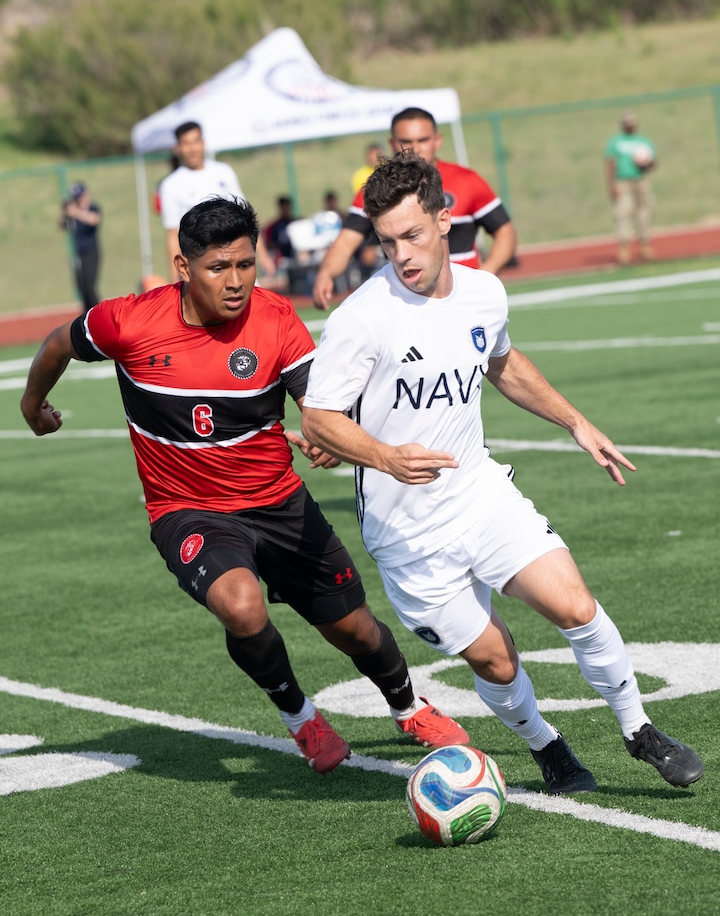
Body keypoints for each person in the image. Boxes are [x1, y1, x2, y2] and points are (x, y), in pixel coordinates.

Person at [20, 195, 467, 775]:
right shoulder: (128, 322)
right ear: (183, 268)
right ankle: (301, 717)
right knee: (241, 605)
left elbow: (319, 403)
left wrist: (326, 434)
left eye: (246, 265)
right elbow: (59, 342)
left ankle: (408, 707)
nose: (236, 282)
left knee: (354, 629)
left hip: (278, 502)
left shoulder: (275, 318)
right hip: (187, 510)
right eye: (218, 268)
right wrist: (33, 403)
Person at [301, 151, 703, 794]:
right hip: (407, 535)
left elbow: (504, 364)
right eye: (386, 242)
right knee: (495, 657)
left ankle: (638, 730)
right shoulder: (360, 318)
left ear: (444, 218)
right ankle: (549, 747)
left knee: (575, 604)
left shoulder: (484, 292)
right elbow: (318, 420)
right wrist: (385, 456)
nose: (401, 255)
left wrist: (575, 421)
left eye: (412, 235)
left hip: (479, 494)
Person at [312, 107, 518, 310]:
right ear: (392, 144)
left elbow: (505, 231)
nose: (415, 148)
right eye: (406, 142)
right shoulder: (377, 191)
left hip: (465, 300)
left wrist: (486, 275)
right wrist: (326, 274)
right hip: (407, 303)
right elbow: (347, 241)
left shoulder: (467, 181)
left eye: (423, 140)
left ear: (437, 141)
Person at [159, 120, 275, 283]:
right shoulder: (170, 185)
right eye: (186, 143)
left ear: (203, 143)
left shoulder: (223, 172)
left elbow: (246, 216)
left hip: (236, 257)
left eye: (196, 141)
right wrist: (174, 279)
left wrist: (262, 255)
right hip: (204, 266)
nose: (192, 148)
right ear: (177, 148)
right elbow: (172, 234)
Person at [604, 112, 657, 264]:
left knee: (645, 211)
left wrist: (646, 163)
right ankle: (624, 248)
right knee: (623, 213)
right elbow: (610, 163)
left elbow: (654, 163)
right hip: (623, 181)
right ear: (622, 125)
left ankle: (644, 245)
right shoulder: (616, 142)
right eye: (626, 123)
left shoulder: (644, 141)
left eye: (631, 123)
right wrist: (611, 185)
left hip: (641, 180)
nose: (629, 125)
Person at [59, 182, 102, 313]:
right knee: (81, 286)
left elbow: (94, 220)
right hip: (78, 254)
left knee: (89, 286)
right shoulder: (73, 213)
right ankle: (87, 314)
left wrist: (75, 212)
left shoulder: (93, 208)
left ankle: (98, 313)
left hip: (91, 252)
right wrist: (66, 213)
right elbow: (62, 226)